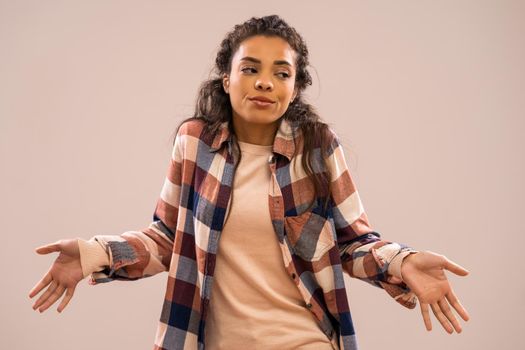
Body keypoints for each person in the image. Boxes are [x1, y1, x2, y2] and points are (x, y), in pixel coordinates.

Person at [28, 14, 470, 350]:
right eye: (250, 69)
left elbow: (352, 242)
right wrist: (93, 254)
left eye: (282, 73)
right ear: (227, 78)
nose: (265, 82)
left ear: (295, 88)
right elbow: (167, 239)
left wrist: (403, 263)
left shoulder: (317, 146)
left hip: (303, 341)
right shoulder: (194, 142)